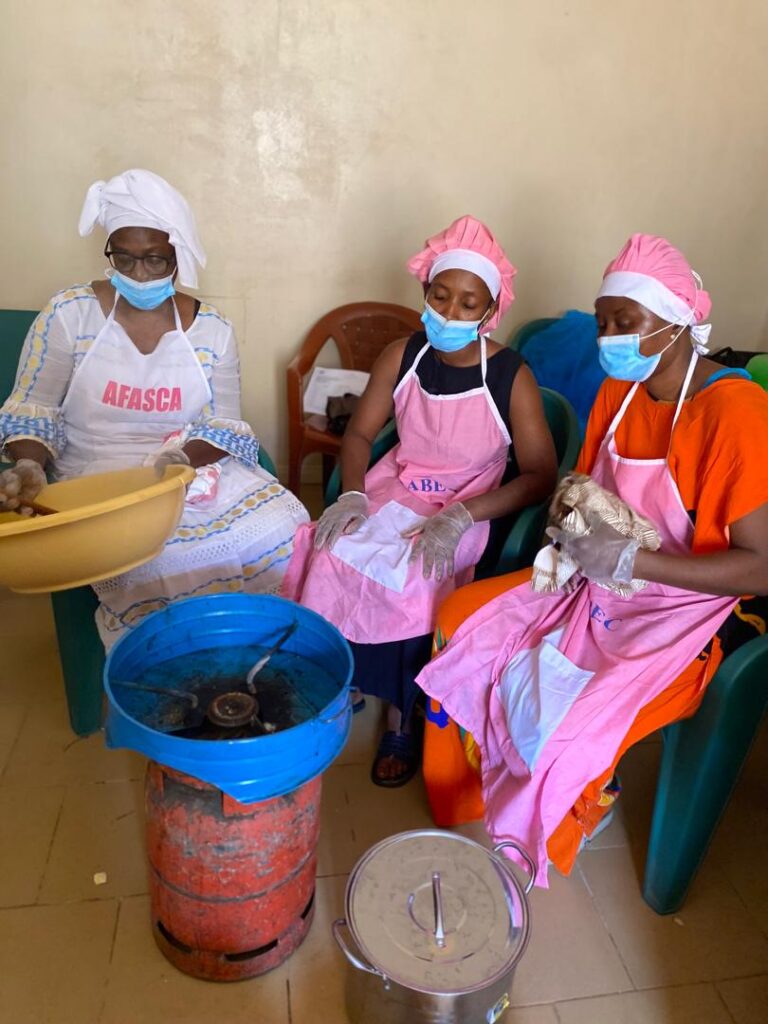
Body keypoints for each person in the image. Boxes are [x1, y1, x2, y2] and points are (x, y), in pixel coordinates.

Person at [417, 233, 768, 885]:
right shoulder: (620, 394)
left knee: (573, 715)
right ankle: (463, 793)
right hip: (598, 583)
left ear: (676, 322)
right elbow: (579, 489)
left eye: (624, 323)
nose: (608, 337)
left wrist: (634, 560)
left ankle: (571, 806)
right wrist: (573, 535)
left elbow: (760, 567)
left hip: (693, 613)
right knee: (466, 628)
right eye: (604, 322)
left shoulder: (736, 413)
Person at [282, 215, 558, 786]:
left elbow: (539, 475)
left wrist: (463, 515)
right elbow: (358, 435)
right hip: (398, 486)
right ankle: (340, 675)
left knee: (416, 576)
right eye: (441, 295)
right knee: (333, 551)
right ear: (424, 292)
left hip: (468, 501)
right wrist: (353, 494)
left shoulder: (510, 374)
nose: (451, 313)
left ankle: (401, 713)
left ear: (489, 311)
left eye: (468, 303)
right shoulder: (402, 354)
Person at [0, 169, 308, 646]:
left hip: (184, 469)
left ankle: (257, 648)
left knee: (286, 529)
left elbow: (223, 424)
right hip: (96, 472)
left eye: (154, 260)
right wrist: (28, 461)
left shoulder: (212, 331)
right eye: (124, 258)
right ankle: (174, 659)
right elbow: (32, 406)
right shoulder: (69, 314)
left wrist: (182, 461)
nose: (138, 273)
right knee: (150, 555)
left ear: (177, 257)